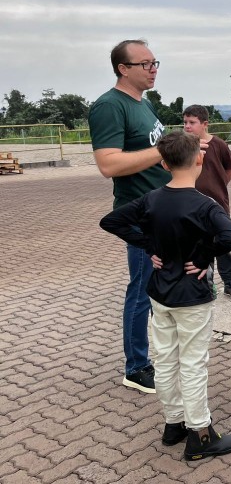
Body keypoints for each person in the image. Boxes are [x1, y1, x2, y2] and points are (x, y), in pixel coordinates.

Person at [99, 130, 231, 461]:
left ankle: (173, 423)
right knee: (193, 363)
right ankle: (200, 434)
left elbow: (111, 221)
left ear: (163, 163)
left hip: (159, 294)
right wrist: (205, 253)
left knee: (165, 359)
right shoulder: (204, 205)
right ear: (199, 158)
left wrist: (149, 246)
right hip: (192, 296)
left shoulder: (151, 199)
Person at [88, 39, 169, 394]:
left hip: (162, 207)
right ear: (123, 68)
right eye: (145, 64)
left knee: (157, 285)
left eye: (155, 63)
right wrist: (162, 151)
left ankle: (156, 354)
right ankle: (136, 367)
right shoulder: (109, 106)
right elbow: (108, 164)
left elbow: (153, 153)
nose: (153, 69)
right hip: (139, 211)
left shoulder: (144, 103)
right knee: (141, 289)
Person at [182, 104, 231, 300]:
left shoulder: (219, 145)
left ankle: (229, 283)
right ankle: (205, 285)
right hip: (191, 207)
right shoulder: (184, 147)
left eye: (192, 122)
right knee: (197, 247)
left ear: (205, 124)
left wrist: (219, 185)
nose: (187, 127)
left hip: (218, 205)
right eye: (185, 123)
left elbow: (229, 169)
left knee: (223, 245)